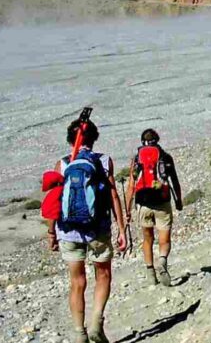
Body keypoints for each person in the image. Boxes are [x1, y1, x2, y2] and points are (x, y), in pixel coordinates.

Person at [46, 117, 128, 343]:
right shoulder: (103, 161)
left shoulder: (62, 164)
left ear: (70, 139)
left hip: (69, 231)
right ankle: (96, 323)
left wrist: (52, 232)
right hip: (98, 230)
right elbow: (113, 195)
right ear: (94, 138)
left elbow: (54, 200)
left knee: (77, 282)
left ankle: (79, 333)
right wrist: (122, 229)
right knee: (103, 275)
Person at [125, 128, 183, 287]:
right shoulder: (165, 157)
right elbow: (174, 182)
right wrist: (178, 201)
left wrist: (128, 209)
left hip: (143, 202)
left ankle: (151, 274)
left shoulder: (137, 159)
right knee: (164, 238)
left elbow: (131, 186)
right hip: (162, 201)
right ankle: (162, 260)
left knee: (147, 238)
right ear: (157, 140)